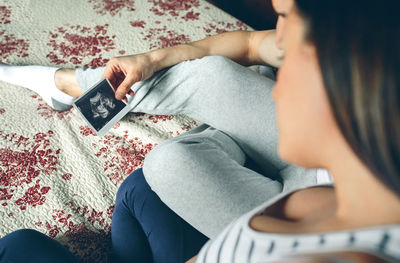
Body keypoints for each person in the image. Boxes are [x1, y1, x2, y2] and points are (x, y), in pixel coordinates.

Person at [0, 0, 399, 262]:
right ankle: (71, 84)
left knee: (22, 246)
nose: (277, 46)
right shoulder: (325, 205)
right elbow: (250, 45)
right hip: (336, 167)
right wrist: (154, 58)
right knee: (148, 177)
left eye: (286, 22)